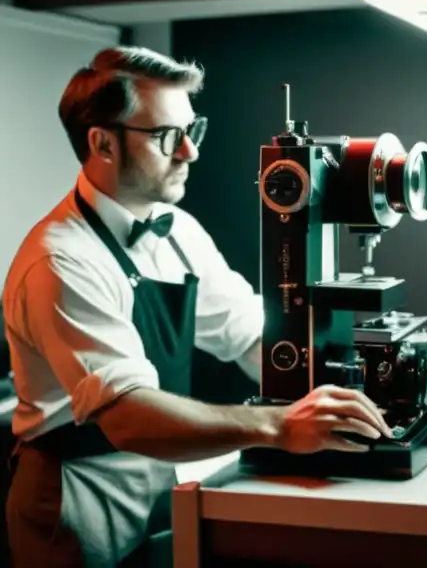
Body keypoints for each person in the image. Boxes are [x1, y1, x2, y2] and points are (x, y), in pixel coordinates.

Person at [1, 46, 391, 567]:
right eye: (167, 137)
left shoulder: (178, 230)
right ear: (103, 144)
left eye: (193, 129)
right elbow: (130, 418)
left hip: (159, 480)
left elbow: (252, 337)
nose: (190, 151)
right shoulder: (60, 261)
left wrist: (338, 392)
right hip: (80, 500)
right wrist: (280, 425)